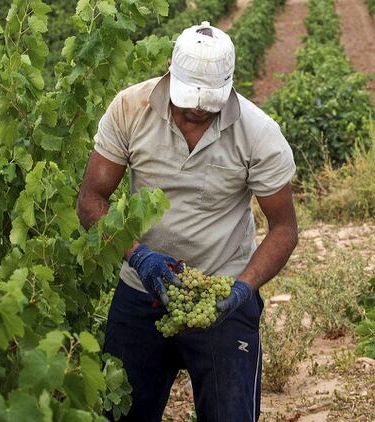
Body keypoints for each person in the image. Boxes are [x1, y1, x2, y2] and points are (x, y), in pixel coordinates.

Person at [76, 21, 298, 422]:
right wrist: (138, 256)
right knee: (120, 414)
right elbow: (91, 199)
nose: (196, 110)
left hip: (219, 297)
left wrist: (242, 289)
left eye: (207, 104)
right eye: (187, 101)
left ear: (230, 86)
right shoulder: (129, 108)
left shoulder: (260, 134)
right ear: (169, 73)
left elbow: (283, 229)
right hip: (141, 290)